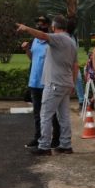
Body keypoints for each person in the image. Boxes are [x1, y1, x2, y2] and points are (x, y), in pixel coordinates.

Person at [18, 15, 79, 156]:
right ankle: (65, 144)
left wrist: (26, 28)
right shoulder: (71, 41)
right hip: (65, 83)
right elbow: (75, 66)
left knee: (45, 114)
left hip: (54, 83)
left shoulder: (59, 38)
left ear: (54, 26)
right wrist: (73, 83)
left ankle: (44, 146)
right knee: (64, 116)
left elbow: (42, 35)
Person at [23, 16, 60, 150]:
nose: (40, 25)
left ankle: (56, 138)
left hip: (48, 81)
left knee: (52, 113)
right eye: (38, 24)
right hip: (35, 81)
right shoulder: (35, 41)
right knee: (37, 113)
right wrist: (27, 49)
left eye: (43, 24)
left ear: (48, 25)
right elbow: (32, 58)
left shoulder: (51, 40)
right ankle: (38, 137)